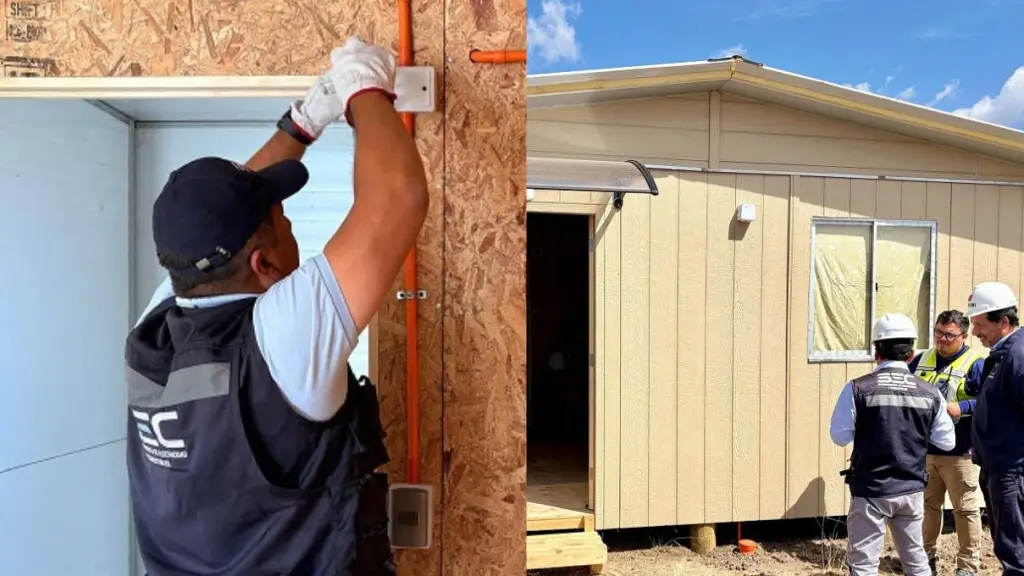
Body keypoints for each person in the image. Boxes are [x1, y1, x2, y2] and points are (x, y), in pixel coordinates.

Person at [124, 37, 429, 575]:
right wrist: (365, 87)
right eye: (286, 225)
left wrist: (302, 124)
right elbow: (398, 196)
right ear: (265, 263)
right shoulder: (279, 342)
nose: (292, 229)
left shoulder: (155, 332)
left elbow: (219, 217)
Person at [830, 313, 957, 576]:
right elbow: (946, 442)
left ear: (876, 352)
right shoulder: (929, 392)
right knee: (916, 561)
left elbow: (840, 436)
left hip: (871, 489)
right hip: (910, 489)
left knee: (865, 565)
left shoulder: (857, 389)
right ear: (911, 354)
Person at [908, 310, 986, 576]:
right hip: (925, 450)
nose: (941, 340)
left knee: (965, 509)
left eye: (949, 335)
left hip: (960, 452)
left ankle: (967, 566)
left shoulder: (975, 364)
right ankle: (925, 560)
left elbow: (990, 401)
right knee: (928, 508)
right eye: (938, 333)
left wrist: (962, 407)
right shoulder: (920, 360)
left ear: (964, 336)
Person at [967, 281, 1024, 575]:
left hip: (1013, 471)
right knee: (1008, 546)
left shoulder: (1018, 356)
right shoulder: (1002, 355)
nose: (975, 332)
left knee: (1016, 552)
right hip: (1000, 469)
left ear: (1003, 322)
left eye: (979, 324)